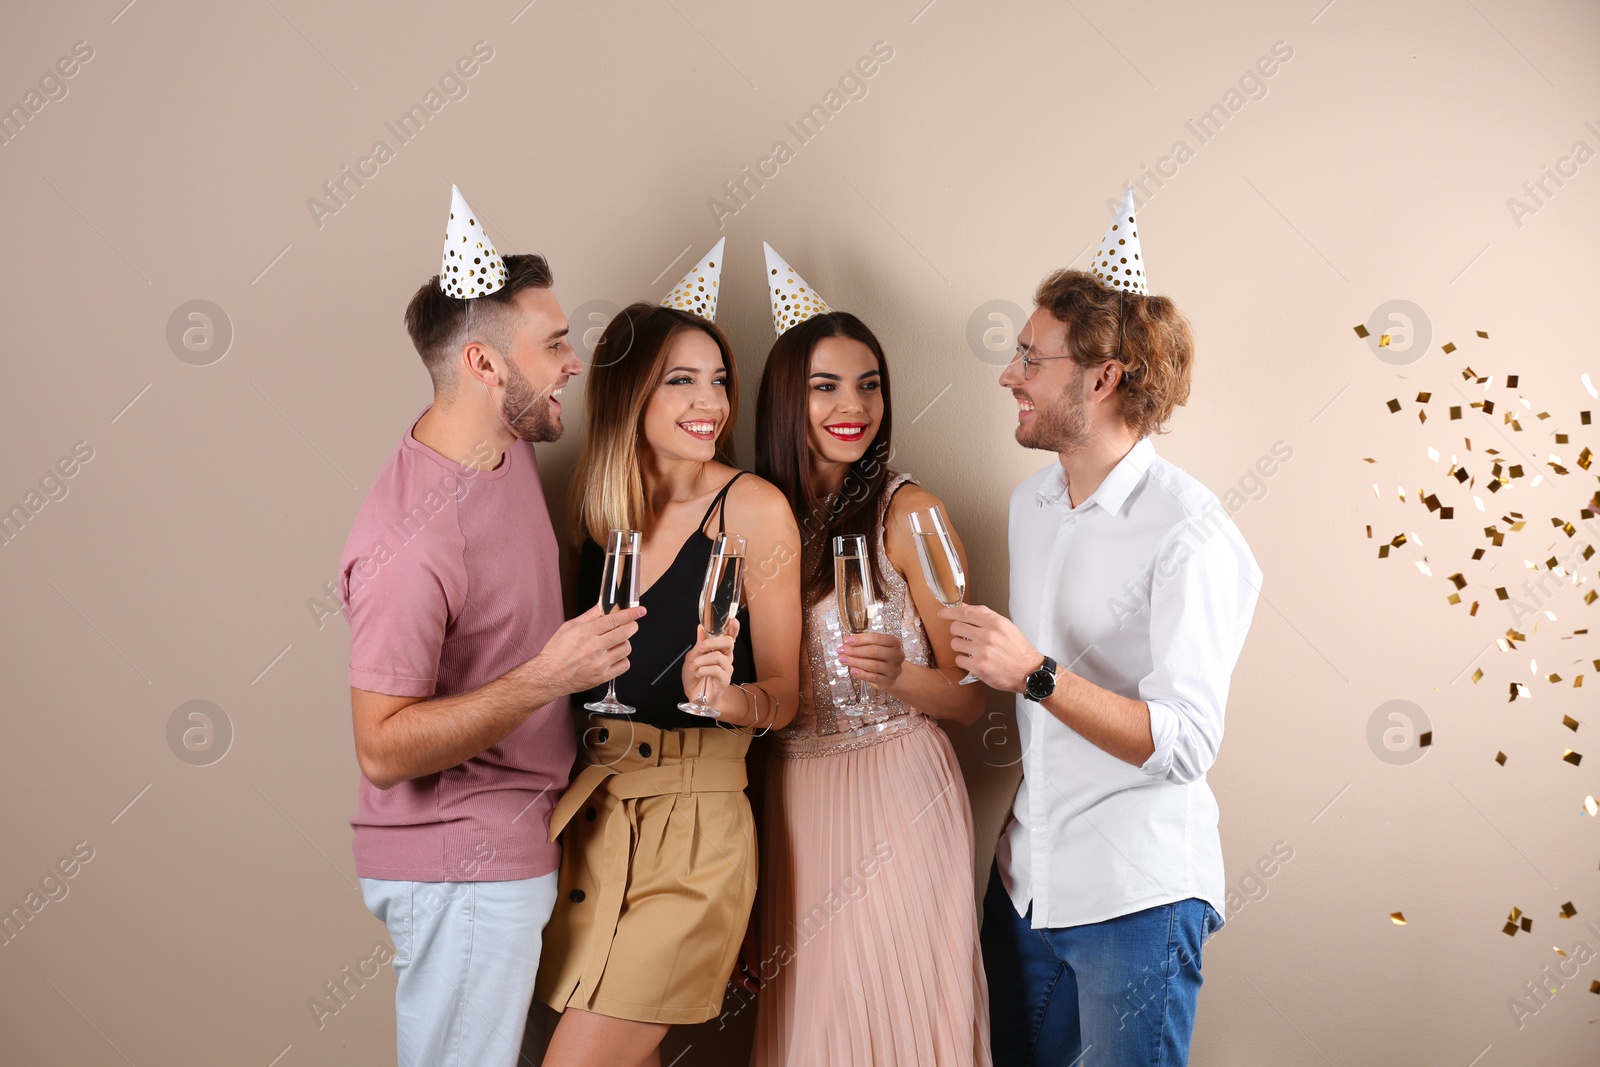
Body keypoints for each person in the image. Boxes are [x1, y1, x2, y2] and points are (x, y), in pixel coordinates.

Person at [943, 192, 1262, 1067]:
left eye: (1030, 358)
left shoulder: (1192, 533)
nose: (1010, 374)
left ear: (1103, 376)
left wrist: (1036, 672)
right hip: (1028, 891)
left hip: (1138, 897)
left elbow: (1188, 741)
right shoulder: (1032, 504)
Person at [339, 187, 645, 1067]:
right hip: (457, 869)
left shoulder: (502, 449)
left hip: (514, 841)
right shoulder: (411, 541)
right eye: (553, 346)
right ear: (481, 364)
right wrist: (547, 677)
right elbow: (382, 747)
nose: (573, 363)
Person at [535, 242, 804, 1067]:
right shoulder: (594, 508)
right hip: (596, 821)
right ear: (630, 393)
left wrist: (728, 699)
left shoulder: (752, 508)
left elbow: (787, 695)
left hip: (697, 828)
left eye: (719, 378)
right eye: (682, 379)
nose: (711, 401)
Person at [749, 244, 991, 1066]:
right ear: (788, 398)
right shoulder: (758, 515)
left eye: (869, 383)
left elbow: (971, 698)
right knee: (814, 1029)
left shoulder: (911, 513)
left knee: (889, 1015)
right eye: (826, 386)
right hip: (794, 800)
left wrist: (905, 676)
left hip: (898, 791)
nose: (854, 406)